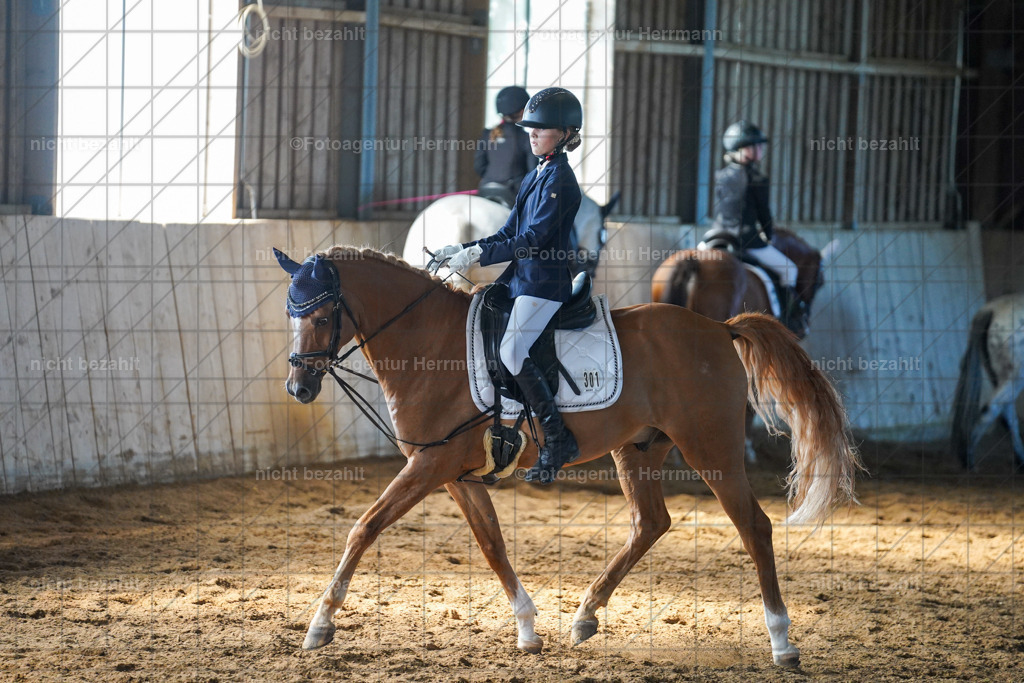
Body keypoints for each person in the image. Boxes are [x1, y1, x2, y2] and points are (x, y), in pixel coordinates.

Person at [430, 87, 584, 485]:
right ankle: (504, 436)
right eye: (529, 128)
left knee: (512, 350)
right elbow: (507, 230)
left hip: (544, 284)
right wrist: (463, 248)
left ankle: (558, 439)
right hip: (520, 281)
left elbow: (531, 239)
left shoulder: (560, 180)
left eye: (541, 129)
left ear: (566, 133)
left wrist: (478, 257)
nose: (531, 134)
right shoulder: (536, 174)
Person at [711, 120, 807, 334]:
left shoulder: (721, 175)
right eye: (756, 145)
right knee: (789, 270)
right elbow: (764, 214)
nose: (761, 149)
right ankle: (786, 321)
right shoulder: (757, 178)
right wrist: (769, 235)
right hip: (746, 241)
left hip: (716, 236)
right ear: (742, 150)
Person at [474, 86, 535, 207]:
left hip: (486, 188)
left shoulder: (487, 134)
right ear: (523, 111)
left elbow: (479, 166)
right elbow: (532, 173)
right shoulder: (526, 138)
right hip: (512, 193)